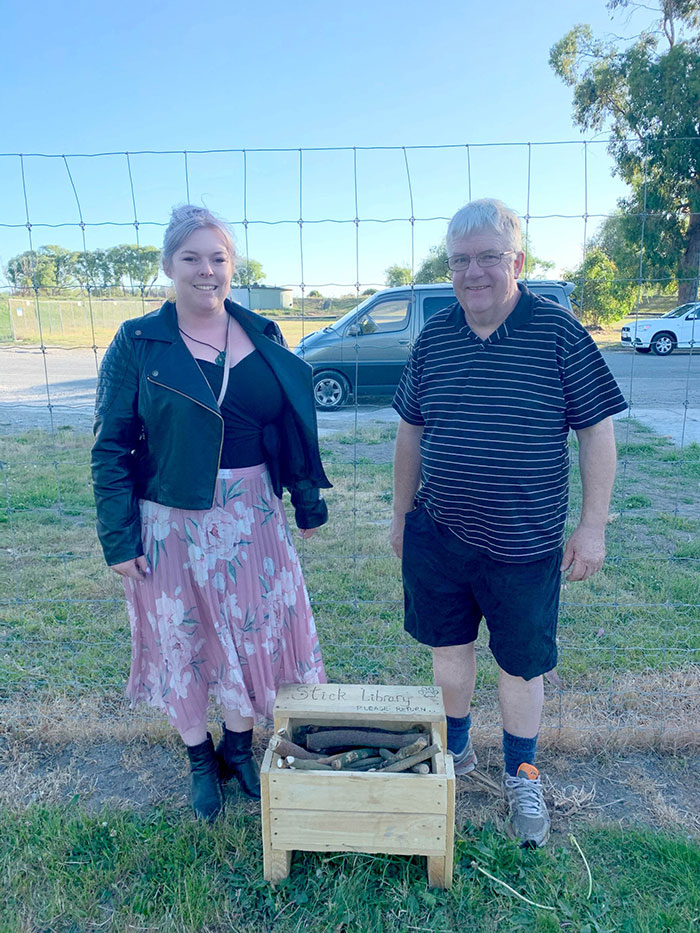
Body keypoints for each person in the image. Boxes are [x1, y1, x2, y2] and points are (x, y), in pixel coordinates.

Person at [390, 198, 627, 848]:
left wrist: (593, 527)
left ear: (516, 260)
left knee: (521, 665)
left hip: (524, 544)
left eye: (488, 257)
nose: (474, 272)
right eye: (460, 261)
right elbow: (410, 431)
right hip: (439, 533)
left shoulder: (558, 332)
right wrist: (401, 515)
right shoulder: (434, 336)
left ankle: (522, 773)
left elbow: (596, 433)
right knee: (448, 652)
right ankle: (455, 752)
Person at [92, 205, 331, 821]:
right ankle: (200, 759)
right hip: (172, 520)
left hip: (255, 516)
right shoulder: (138, 342)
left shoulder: (264, 332)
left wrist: (307, 499)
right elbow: (110, 446)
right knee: (187, 639)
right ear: (168, 266)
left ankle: (238, 748)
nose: (207, 270)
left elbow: (288, 427)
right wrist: (119, 538)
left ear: (233, 265)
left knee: (251, 636)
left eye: (218, 258)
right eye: (191, 258)